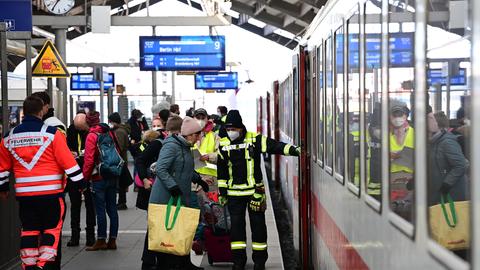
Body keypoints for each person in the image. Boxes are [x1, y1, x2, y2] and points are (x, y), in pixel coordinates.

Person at [0, 96, 85, 270]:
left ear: (24, 112)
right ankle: (44, 265)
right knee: (51, 231)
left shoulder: (9, 137)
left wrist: (3, 188)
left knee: (29, 231)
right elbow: (69, 164)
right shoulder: (51, 134)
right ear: (41, 111)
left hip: (25, 197)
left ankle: (29, 265)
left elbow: (2, 169)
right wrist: (81, 185)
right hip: (51, 195)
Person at [217, 110, 300, 270]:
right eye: (228, 129)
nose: (230, 132)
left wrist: (294, 150)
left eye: (233, 128)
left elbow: (275, 146)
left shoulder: (255, 139)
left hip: (255, 193)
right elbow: (222, 171)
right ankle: (238, 262)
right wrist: (222, 193)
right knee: (237, 232)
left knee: (259, 229)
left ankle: (259, 262)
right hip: (234, 195)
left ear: (241, 127)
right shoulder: (224, 145)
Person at [149, 116, 207, 270]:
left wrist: (199, 179)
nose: (199, 138)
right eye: (197, 135)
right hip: (165, 197)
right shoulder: (171, 146)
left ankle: (184, 263)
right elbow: (161, 168)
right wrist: (173, 187)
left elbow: (186, 168)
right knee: (166, 232)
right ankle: (163, 265)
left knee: (182, 230)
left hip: (181, 195)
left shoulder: (186, 147)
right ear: (189, 134)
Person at [136, 116, 182, 270]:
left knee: (163, 226)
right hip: (153, 189)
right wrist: (144, 179)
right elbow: (140, 160)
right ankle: (148, 262)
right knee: (155, 226)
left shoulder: (175, 144)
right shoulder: (158, 143)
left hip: (163, 189)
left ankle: (163, 260)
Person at [83, 111, 120, 251]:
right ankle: (113, 240)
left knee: (100, 209)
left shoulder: (92, 136)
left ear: (88, 122)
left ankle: (101, 240)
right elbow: (118, 150)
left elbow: (88, 160)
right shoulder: (109, 132)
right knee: (112, 208)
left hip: (98, 177)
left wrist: (84, 179)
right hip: (112, 175)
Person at [65, 111, 96, 247]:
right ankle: (75, 235)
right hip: (73, 173)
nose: (79, 129)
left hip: (88, 173)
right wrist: (69, 153)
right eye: (77, 127)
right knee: (75, 205)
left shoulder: (91, 133)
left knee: (90, 205)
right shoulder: (69, 132)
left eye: (81, 127)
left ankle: (91, 235)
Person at [192, 108, 220, 254]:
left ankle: (206, 241)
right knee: (195, 212)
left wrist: (209, 156)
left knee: (210, 212)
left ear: (207, 118)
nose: (200, 119)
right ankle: (199, 241)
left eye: (202, 117)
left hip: (210, 180)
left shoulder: (214, 136)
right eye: (198, 117)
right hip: (193, 179)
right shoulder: (190, 134)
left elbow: (220, 154)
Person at [389, 100, 414, 221]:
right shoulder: (385, 135)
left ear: (406, 116)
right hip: (391, 179)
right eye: (395, 115)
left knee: (407, 214)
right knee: (392, 214)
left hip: (409, 179)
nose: (397, 118)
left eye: (401, 115)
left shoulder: (415, 134)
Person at [109, 112, 132, 210]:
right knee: (121, 182)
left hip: (119, 161)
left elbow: (119, 147)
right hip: (122, 160)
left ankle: (121, 202)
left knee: (120, 183)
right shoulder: (121, 130)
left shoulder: (119, 132)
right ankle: (121, 202)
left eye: (110, 121)